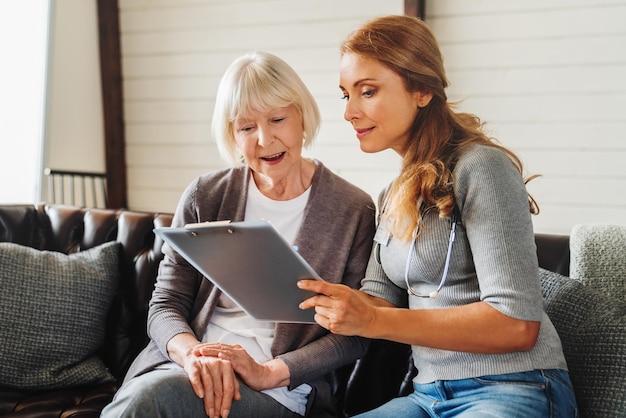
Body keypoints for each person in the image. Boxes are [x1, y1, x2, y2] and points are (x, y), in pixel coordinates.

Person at [298, 15, 578, 417]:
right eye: (346, 95)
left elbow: (516, 325)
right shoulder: (391, 195)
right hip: (427, 396)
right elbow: (378, 302)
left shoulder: (481, 167)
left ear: (423, 90)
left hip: (515, 387)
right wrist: (307, 292)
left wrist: (373, 320)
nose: (350, 113)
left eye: (368, 91)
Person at [101, 51, 376, 418]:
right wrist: (194, 356)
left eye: (277, 119)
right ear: (232, 133)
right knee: (154, 394)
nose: (264, 139)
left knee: (150, 401)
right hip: (189, 369)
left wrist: (269, 372)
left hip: (279, 390)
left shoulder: (352, 209)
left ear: (302, 118)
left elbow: (354, 334)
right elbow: (165, 305)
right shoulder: (205, 196)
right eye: (246, 127)